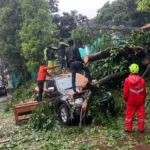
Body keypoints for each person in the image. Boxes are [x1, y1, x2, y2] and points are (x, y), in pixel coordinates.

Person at [123, 63, 147, 132]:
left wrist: (125, 99)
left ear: (130, 70)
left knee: (129, 116)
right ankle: (141, 128)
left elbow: (125, 92)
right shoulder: (142, 80)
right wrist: (143, 98)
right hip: (140, 101)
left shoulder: (127, 80)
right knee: (141, 116)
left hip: (130, 101)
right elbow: (144, 92)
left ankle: (128, 128)